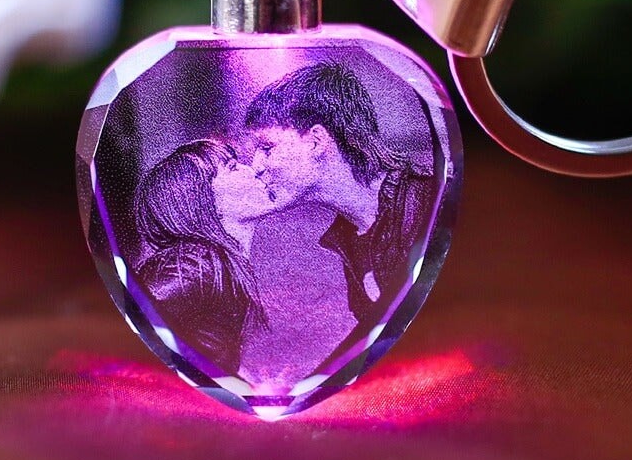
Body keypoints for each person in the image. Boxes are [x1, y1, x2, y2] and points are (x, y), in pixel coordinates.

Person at [244, 62, 440, 326]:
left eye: (267, 148)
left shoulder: (427, 204)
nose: (256, 166)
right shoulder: (351, 235)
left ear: (317, 141)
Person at [134, 139, 274, 374]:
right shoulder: (195, 265)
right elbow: (134, 313)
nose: (251, 169)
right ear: (204, 201)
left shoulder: (221, 264)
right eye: (232, 167)